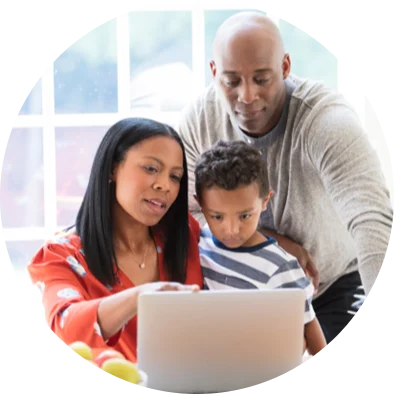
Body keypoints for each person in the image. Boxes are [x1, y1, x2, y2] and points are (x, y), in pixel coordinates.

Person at [176, 11, 394, 345]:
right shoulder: (199, 119)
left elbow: (371, 222)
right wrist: (267, 240)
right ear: (214, 72)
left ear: (286, 67)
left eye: (262, 79)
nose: (247, 96)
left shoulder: (325, 120)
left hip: (331, 283)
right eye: (231, 81)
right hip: (239, 286)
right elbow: (185, 213)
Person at [27, 117, 203, 363]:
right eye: (151, 168)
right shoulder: (60, 256)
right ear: (112, 168)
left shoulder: (185, 232)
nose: (165, 185)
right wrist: (140, 297)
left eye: (175, 176)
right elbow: (65, 326)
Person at [194, 139, 327, 356]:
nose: (231, 230)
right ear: (200, 204)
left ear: (265, 201)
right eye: (217, 216)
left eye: (245, 215)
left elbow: (309, 325)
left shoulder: (281, 266)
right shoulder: (201, 241)